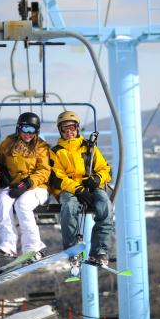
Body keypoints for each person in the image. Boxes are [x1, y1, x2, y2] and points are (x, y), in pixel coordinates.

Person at [49, 111, 113, 269]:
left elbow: (105, 169)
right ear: (60, 131)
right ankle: (73, 249)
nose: (69, 131)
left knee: (105, 204)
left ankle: (99, 251)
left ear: (77, 128)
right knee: (69, 207)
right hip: (70, 189)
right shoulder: (56, 151)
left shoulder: (89, 147)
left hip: (90, 186)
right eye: (65, 128)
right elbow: (58, 177)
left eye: (72, 127)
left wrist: (97, 179)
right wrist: (77, 189)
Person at [0, 112, 51, 263]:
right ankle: (7, 244)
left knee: (22, 204)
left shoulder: (41, 147)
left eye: (32, 130)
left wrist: (27, 183)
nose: (28, 134)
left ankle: (33, 247)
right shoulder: (9, 142)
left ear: (37, 132)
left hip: (37, 187)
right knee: (2, 200)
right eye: (25, 129)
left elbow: (44, 172)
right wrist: (1, 173)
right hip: (15, 184)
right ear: (19, 128)